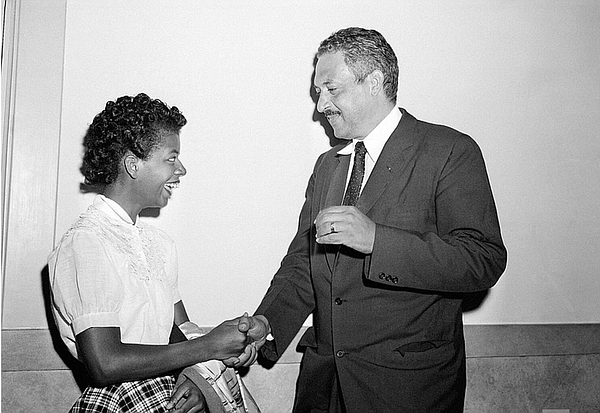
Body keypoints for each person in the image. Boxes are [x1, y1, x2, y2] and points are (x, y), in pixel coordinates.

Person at [251, 27, 507, 412]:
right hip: (324, 389)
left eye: (330, 89)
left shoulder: (450, 150)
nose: (321, 105)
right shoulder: (327, 167)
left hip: (408, 390)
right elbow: (305, 263)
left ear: (373, 82)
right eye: (319, 92)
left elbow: (482, 259)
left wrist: (377, 241)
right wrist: (266, 325)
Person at [48, 93, 265, 413]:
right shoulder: (86, 243)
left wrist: (216, 357)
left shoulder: (160, 245)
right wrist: (209, 346)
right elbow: (105, 364)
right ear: (133, 165)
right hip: (118, 401)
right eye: (171, 157)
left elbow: (180, 334)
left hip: (165, 393)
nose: (182, 169)